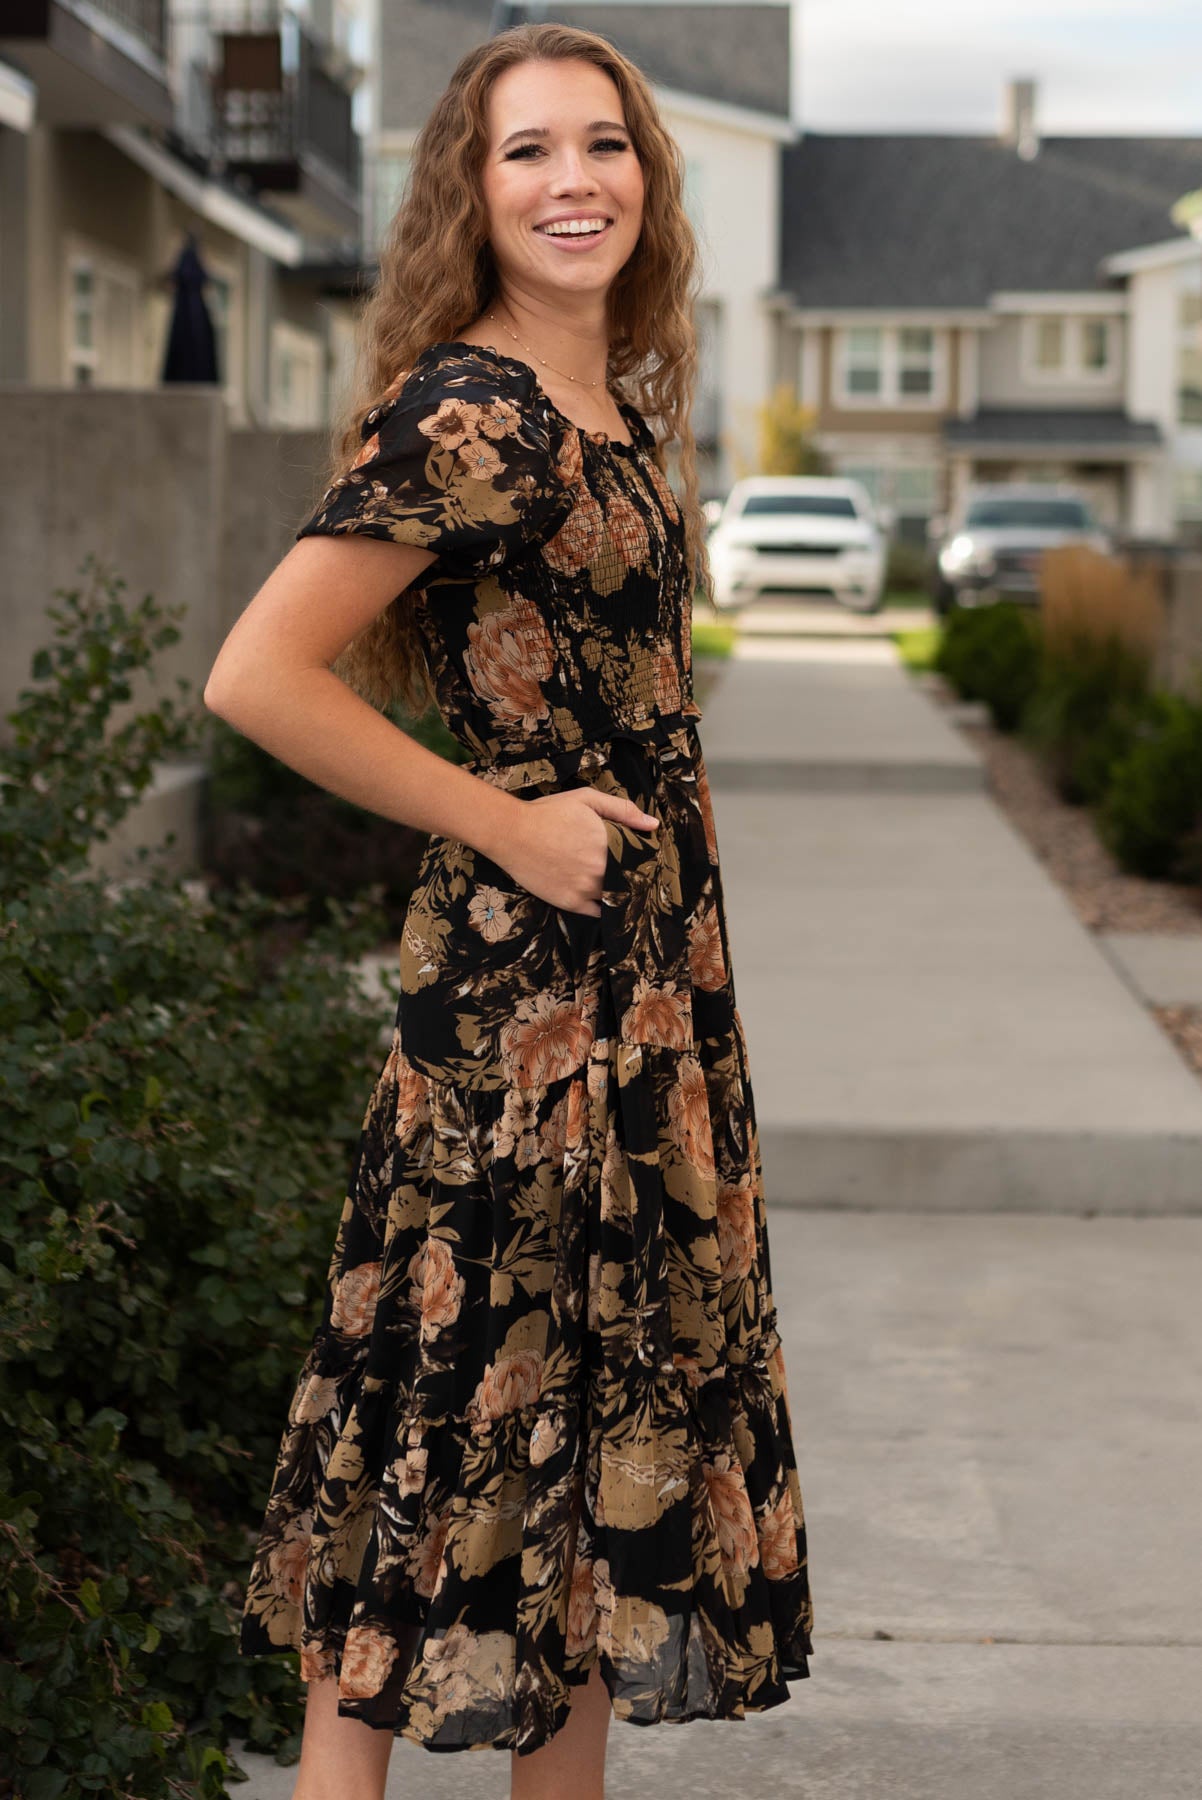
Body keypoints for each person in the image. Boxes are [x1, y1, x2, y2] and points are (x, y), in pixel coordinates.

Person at [205, 21, 814, 1800]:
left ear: (650, 178)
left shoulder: (613, 397)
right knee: (446, 1421)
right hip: (521, 1002)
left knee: (599, 1455)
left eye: (605, 147)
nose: (575, 182)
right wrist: (510, 825)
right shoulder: (467, 411)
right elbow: (259, 675)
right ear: (471, 193)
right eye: (529, 151)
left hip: (646, 997)